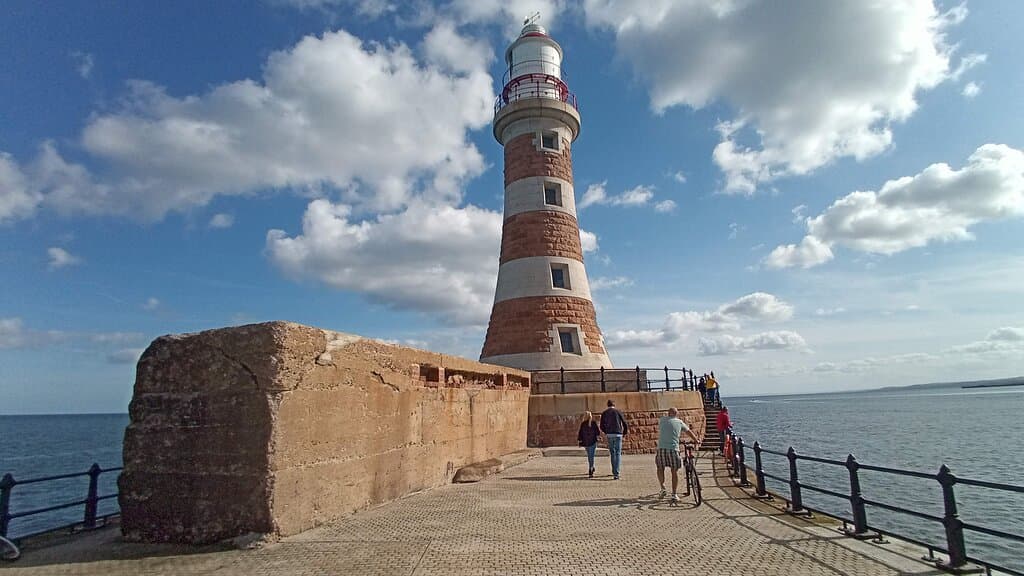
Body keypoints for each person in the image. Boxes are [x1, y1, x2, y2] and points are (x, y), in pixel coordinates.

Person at [656, 407, 701, 502]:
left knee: (660, 468)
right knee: (674, 471)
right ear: (676, 414)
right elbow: (688, 432)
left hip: (661, 448)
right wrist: (696, 440)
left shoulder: (662, 420)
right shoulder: (679, 422)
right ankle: (674, 494)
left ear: (668, 413)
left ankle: (663, 488)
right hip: (673, 449)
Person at [599, 399, 628, 479]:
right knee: (618, 453)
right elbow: (625, 423)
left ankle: (614, 471)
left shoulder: (604, 413)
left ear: (607, 405)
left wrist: (606, 432)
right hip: (618, 434)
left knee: (612, 453)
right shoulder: (618, 412)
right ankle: (617, 473)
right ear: (614, 405)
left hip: (610, 434)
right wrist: (624, 432)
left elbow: (601, 425)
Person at [577, 411, 600, 478]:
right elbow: (598, 432)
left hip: (586, 442)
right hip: (593, 442)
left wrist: (579, 441)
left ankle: (591, 467)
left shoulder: (583, 424)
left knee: (589, 456)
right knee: (591, 456)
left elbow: (580, 433)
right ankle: (591, 468)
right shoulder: (593, 423)